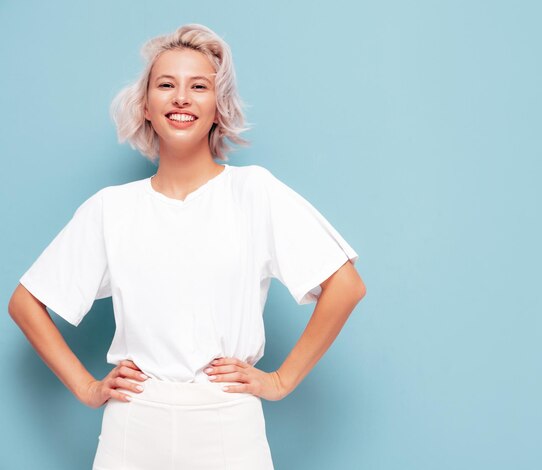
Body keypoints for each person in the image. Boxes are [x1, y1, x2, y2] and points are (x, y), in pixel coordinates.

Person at [8, 23, 366, 470]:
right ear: (146, 106)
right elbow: (26, 303)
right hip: (132, 426)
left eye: (199, 86)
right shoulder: (111, 209)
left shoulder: (254, 193)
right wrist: (87, 387)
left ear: (219, 107)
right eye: (166, 85)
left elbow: (346, 285)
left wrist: (280, 380)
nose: (181, 98)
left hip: (228, 425)